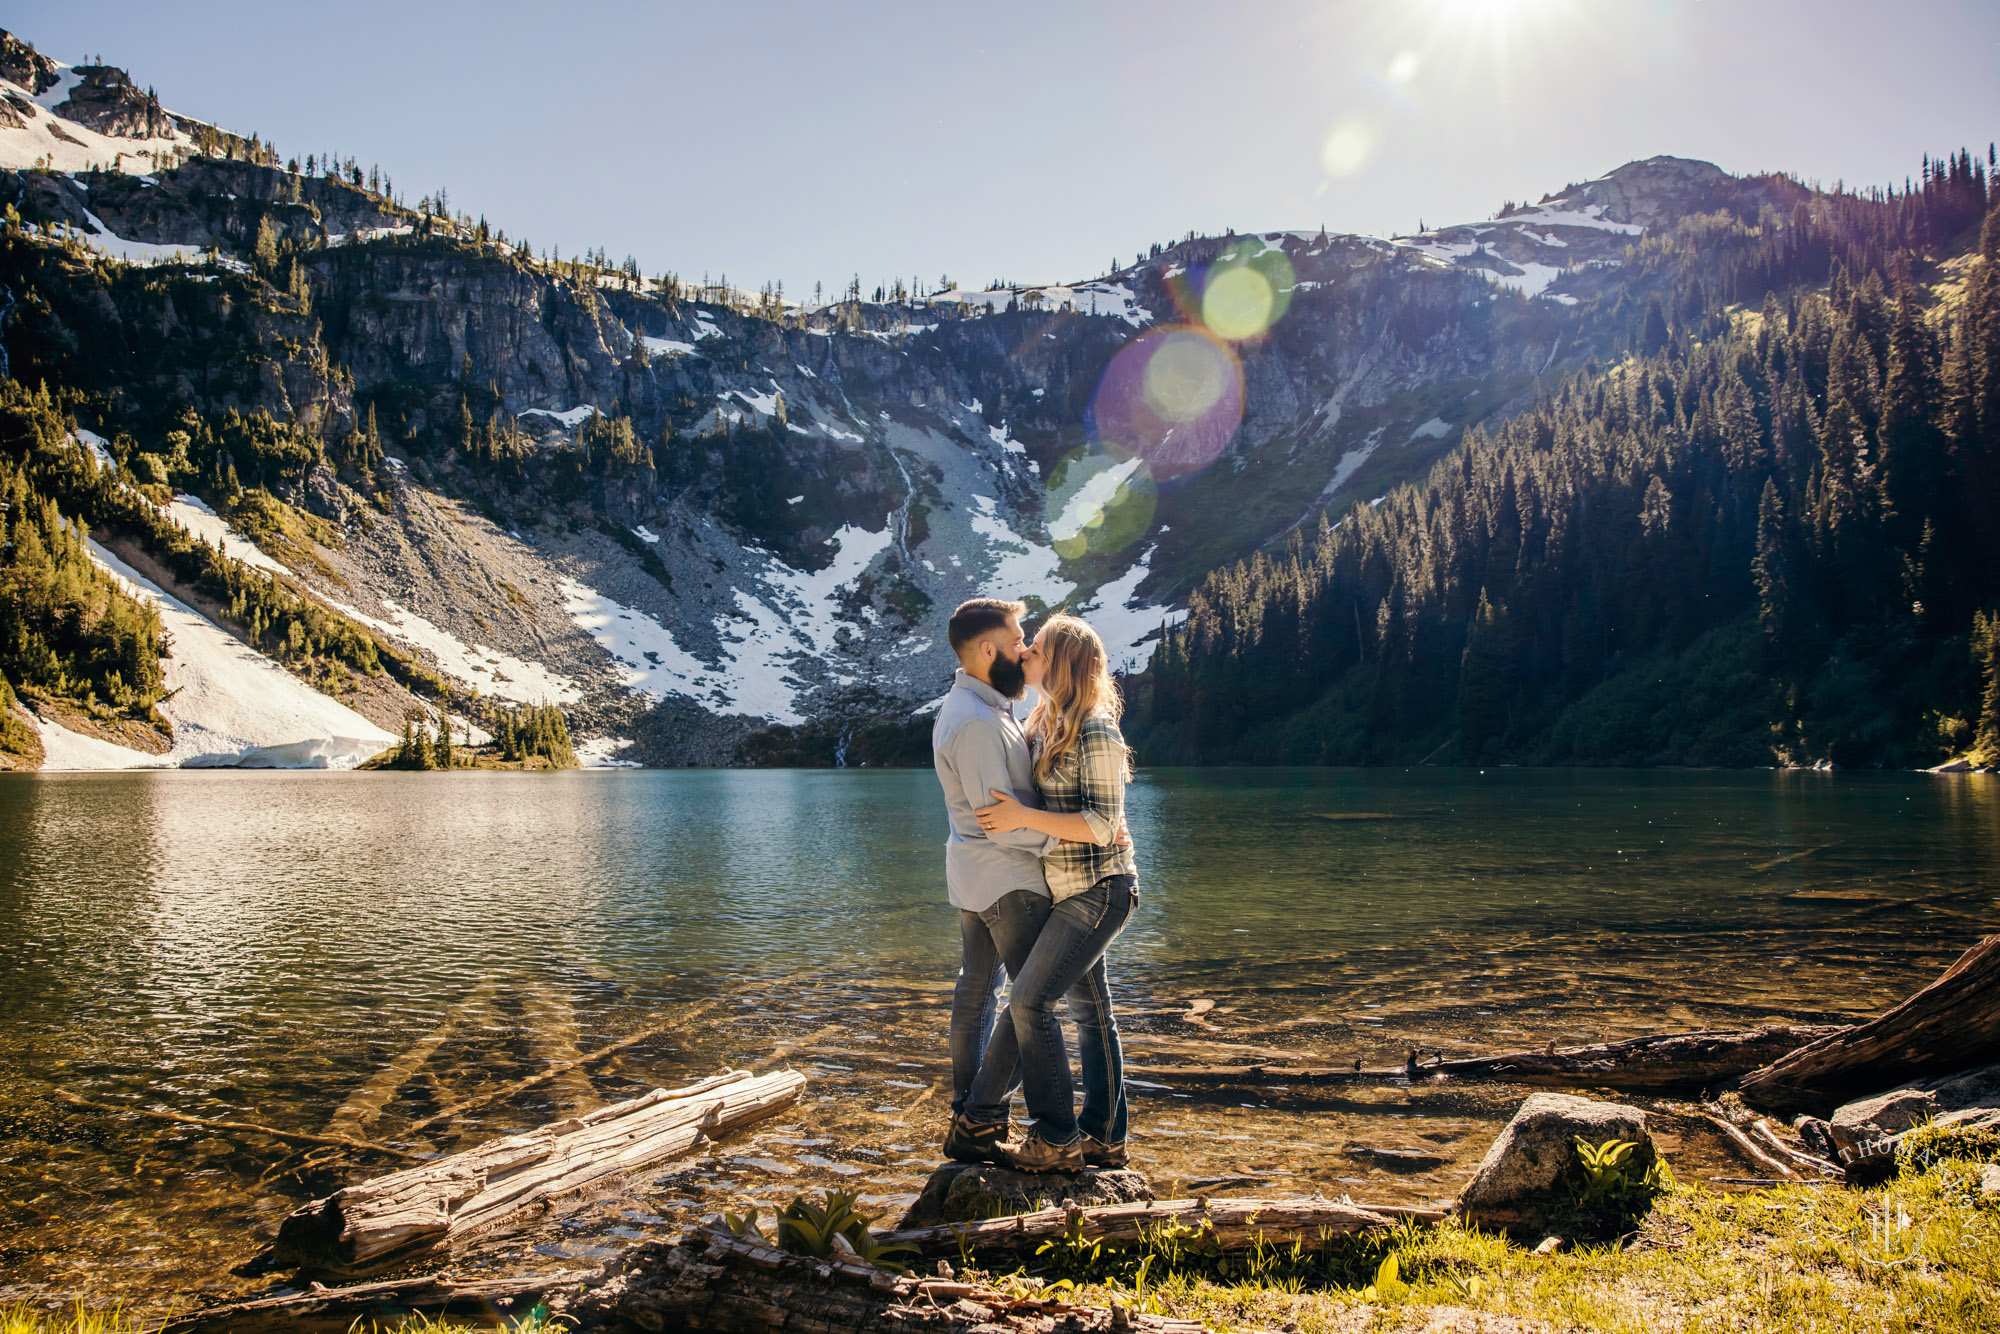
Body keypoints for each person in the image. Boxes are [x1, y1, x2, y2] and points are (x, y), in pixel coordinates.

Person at [930, 599, 1124, 1168]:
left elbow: (1080, 809)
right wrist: (1078, 836)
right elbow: (1004, 822)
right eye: (1019, 640)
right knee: (1029, 1003)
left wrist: (1096, 829)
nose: (1024, 650)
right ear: (987, 649)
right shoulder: (983, 721)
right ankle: (991, 1121)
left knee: (1011, 1000)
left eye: (1032, 645)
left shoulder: (1012, 714)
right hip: (1013, 879)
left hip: (1039, 882)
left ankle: (1000, 1122)